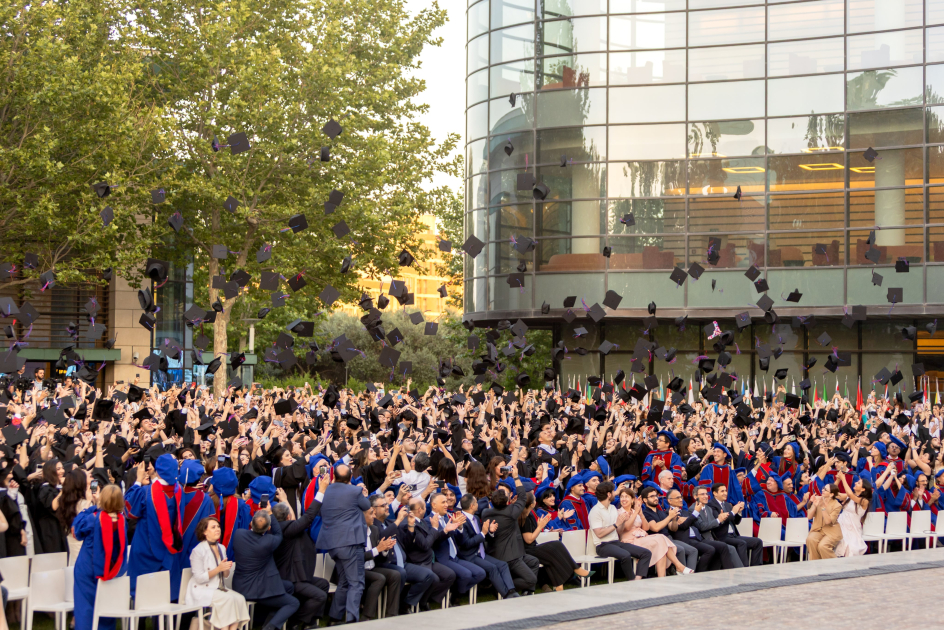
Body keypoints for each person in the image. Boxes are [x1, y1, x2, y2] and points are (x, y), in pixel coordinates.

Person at [315, 463, 372, 624]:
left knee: (344, 582)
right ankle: (351, 620)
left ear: (334, 477)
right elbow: (366, 506)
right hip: (350, 543)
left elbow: (320, 511)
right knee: (356, 582)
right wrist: (363, 494)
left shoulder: (325, 490)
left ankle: (335, 617)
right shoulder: (354, 491)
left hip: (332, 544)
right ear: (349, 479)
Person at [272, 476, 331, 630]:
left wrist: (285, 500)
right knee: (320, 595)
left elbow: (296, 520)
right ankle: (295, 621)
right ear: (288, 518)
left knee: (323, 584)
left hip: (298, 575)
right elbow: (308, 516)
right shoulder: (287, 529)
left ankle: (310, 622)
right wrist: (322, 490)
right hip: (291, 579)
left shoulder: (281, 526)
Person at [229, 509, 298, 630]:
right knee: (293, 603)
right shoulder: (268, 541)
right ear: (268, 528)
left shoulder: (238, 534)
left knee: (289, 587)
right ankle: (269, 628)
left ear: (251, 523)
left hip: (241, 586)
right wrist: (270, 513)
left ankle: (268, 620)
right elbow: (278, 534)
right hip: (258, 591)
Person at [125, 454, 182, 597]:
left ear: (157, 470)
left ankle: (141, 619)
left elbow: (130, 511)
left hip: (145, 549)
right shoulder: (179, 491)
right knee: (162, 595)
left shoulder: (146, 492)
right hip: (169, 550)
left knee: (141, 595)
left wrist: (137, 481)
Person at [72, 485, 126, 630]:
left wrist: (90, 506)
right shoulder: (121, 520)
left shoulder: (93, 518)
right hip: (108, 566)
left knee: (85, 609)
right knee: (105, 605)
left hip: (87, 567)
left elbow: (76, 532)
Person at [517, 491, 592, 591]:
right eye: (535, 500)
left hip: (531, 547)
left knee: (553, 556)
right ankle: (575, 569)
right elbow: (529, 539)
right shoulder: (525, 517)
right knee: (556, 545)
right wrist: (540, 527)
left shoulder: (529, 514)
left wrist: (544, 529)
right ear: (532, 504)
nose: (536, 501)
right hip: (527, 550)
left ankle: (559, 585)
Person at [185, 516, 250, 630]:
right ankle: (224, 628)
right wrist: (218, 569)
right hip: (202, 589)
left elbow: (225, 575)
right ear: (205, 532)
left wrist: (226, 569)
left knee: (240, 598)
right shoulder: (198, 551)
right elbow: (199, 578)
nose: (217, 529)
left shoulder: (221, 547)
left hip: (217, 587)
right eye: (213, 527)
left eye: (218, 527)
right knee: (228, 599)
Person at [398, 496, 458, 610]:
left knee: (450, 575)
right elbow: (425, 544)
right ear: (420, 509)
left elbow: (433, 538)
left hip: (429, 559)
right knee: (433, 578)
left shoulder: (421, 521)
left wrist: (445, 531)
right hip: (418, 561)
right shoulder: (410, 525)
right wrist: (435, 528)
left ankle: (424, 600)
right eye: (425, 507)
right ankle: (407, 603)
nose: (426, 509)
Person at [456, 494, 518, 598]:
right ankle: (506, 595)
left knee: (503, 565)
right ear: (472, 506)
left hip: (481, 553)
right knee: (492, 568)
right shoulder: (462, 520)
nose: (478, 504)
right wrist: (483, 533)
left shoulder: (475, 517)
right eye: (476, 502)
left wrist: (490, 531)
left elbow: (482, 536)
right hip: (470, 556)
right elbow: (466, 544)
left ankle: (511, 591)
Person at [481, 487, 541, 594]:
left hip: (504, 553)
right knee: (531, 579)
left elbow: (503, 510)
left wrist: (510, 504)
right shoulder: (511, 511)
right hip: (511, 557)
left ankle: (528, 592)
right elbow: (522, 497)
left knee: (534, 562)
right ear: (507, 501)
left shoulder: (485, 512)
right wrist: (516, 477)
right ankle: (501, 587)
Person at [588, 481, 651, 581]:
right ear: (609, 495)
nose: (615, 493)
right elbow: (599, 534)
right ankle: (632, 581)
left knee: (646, 553)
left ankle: (638, 579)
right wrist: (616, 524)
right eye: (613, 492)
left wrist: (622, 522)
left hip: (616, 542)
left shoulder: (612, 508)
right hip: (602, 545)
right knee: (625, 555)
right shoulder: (595, 511)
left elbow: (619, 530)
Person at [630, 487, 694, 575]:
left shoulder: (661, 512)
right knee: (680, 549)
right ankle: (678, 573)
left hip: (669, 538)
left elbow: (672, 528)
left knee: (692, 550)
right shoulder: (645, 513)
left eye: (656, 496)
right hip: (657, 541)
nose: (656, 498)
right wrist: (669, 517)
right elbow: (655, 528)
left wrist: (674, 519)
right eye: (652, 496)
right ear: (645, 500)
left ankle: (684, 573)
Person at [696, 483, 763, 567]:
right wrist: (733, 512)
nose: (725, 493)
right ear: (715, 493)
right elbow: (719, 521)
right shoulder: (711, 505)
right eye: (722, 491)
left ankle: (756, 567)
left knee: (757, 542)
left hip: (733, 535)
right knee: (741, 543)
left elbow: (736, 522)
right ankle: (744, 569)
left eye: (726, 491)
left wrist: (738, 512)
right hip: (721, 536)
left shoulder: (727, 505)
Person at [362, 496, 401, 621]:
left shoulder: (373, 529)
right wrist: (377, 549)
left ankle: (391, 614)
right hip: (357, 569)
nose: (374, 516)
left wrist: (384, 549)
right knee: (379, 578)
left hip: (371, 567)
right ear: (362, 516)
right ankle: (367, 616)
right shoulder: (356, 531)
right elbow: (357, 557)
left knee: (395, 574)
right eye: (371, 514)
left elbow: (378, 553)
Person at [178, 461, 217, 571]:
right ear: (199, 478)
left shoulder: (175, 494)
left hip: (173, 549)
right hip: (195, 552)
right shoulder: (205, 499)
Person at [835, 476, 872, 558]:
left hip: (853, 529)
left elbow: (851, 495)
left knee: (851, 547)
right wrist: (838, 480)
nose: (855, 483)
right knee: (841, 542)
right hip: (842, 524)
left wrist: (844, 479)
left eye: (858, 483)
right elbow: (835, 494)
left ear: (863, 489)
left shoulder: (864, 501)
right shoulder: (849, 496)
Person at [807, 483, 843, 560]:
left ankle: (834, 565)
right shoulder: (819, 499)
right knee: (810, 539)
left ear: (831, 494)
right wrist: (814, 505)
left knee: (822, 546)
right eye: (823, 488)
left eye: (825, 490)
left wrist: (823, 507)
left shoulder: (837, 505)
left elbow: (828, 522)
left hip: (831, 532)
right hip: (818, 529)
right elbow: (809, 516)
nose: (822, 490)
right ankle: (815, 563)